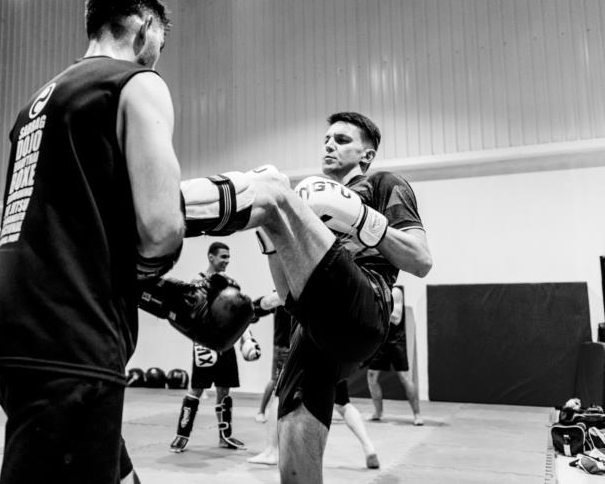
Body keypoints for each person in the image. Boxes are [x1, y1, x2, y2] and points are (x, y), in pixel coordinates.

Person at [0, 0, 187, 484]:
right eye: (160, 42)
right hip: (72, 339)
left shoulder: (37, 104)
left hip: (8, 332)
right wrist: (155, 280)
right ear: (145, 26)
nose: (158, 55)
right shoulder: (135, 83)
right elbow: (161, 229)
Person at [171, 111, 432, 483]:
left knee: (274, 186)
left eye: (342, 140)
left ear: (367, 155)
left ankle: (162, 208)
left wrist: (361, 218)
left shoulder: (383, 183)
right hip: (312, 330)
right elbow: (289, 297)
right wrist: (271, 240)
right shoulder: (311, 209)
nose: (329, 145)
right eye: (326, 139)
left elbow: (421, 260)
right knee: (294, 465)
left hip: (365, 306)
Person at [169, 242, 256, 452]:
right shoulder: (197, 282)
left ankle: (225, 436)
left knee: (224, 389)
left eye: (228, 257)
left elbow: (238, 316)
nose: (227, 261)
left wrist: (247, 339)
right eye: (223, 256)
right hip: (205, 344)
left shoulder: (231, 285)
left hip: (225, 344)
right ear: (211, 257)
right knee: (197, 389)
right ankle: (181, 435)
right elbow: (189, 315)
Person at [249, 378, 380, 470]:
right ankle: (369, 448)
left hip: (309, 355)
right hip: (335, 357)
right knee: (343, 403)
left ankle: (271, 451)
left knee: (281, 395)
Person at [366, 285, 423, 425]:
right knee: (371, 376)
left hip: (396, 341)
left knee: (404, 378)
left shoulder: (395, 291)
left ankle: (417, 415)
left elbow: (396, 318)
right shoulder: (374, 290)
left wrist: (377, 308)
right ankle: (378, 412)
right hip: (380, 341)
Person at [252, 291, 287, 424]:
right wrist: (252, 314)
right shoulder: (279, 296)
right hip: (282, 347)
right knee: (275, 381)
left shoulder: (298, 295)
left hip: (295, 346)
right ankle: (261, 411)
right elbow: (258, 306)